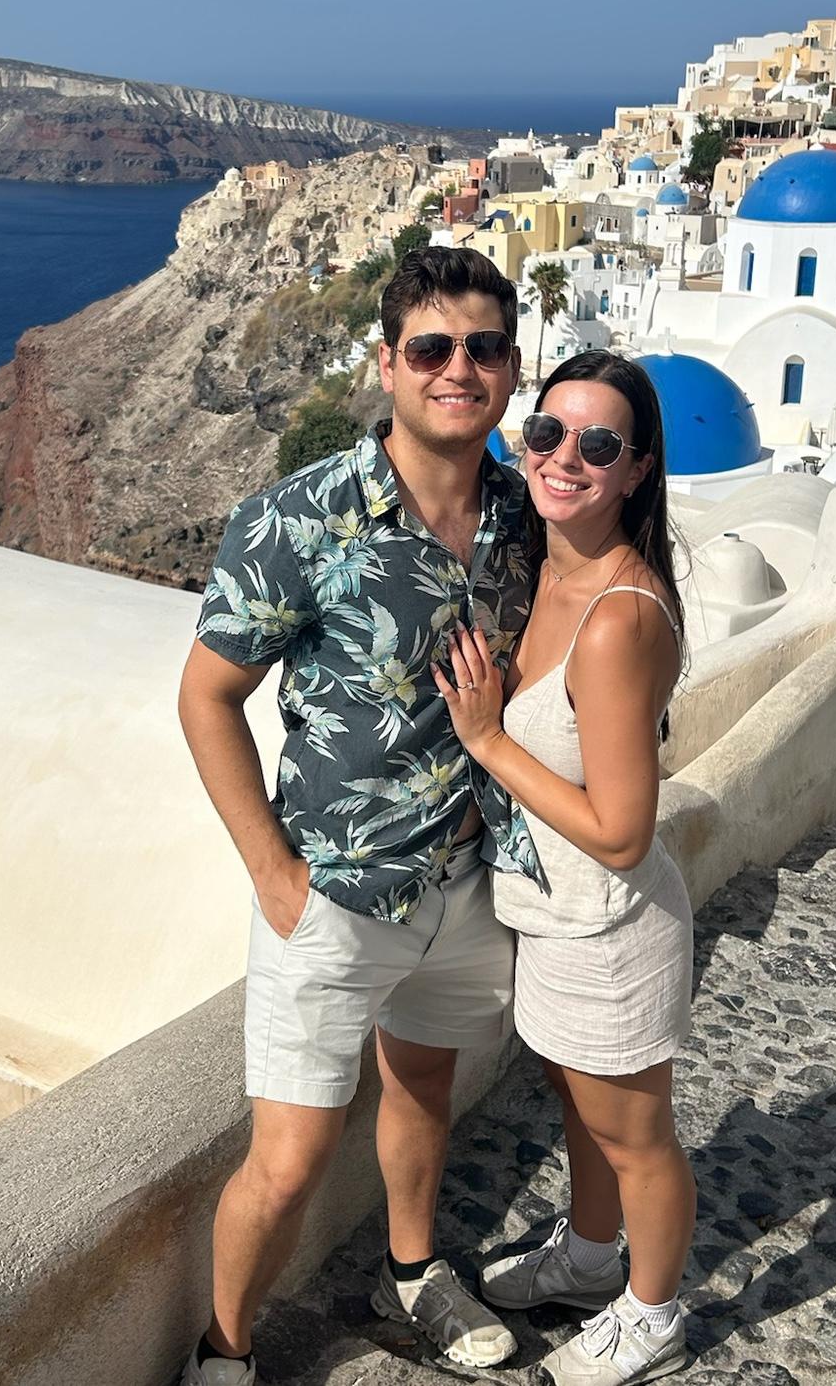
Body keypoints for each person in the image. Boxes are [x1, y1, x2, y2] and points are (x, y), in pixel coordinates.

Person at [177, 247, 546, 1385]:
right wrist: (273, 873)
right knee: (286, 1163)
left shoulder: (522, 516)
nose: (458, 370)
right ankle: (223, 1353)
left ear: (510, 367)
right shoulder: (301, 520)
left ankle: (412, 1267)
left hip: (466, 882)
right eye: (431, 349)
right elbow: (207, 697)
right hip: (334, 897)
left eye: (483, 348)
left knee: (424, 1089)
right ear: (386, 365)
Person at [433, 350, 697, 1386]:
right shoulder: (548, 573)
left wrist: (490, 741)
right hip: (549, 914)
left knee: (638, 1138)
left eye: (598, 445)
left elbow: (626, 829)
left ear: (636, 470)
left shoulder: (617, 619)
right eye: (548, 433)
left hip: (610, 925)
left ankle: (653, 1315)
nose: (564, 458)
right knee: (582, 1109)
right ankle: (589, 1264)